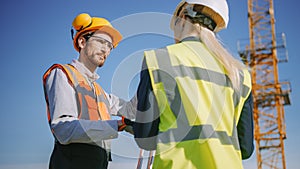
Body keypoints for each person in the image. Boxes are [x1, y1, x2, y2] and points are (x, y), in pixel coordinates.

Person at [133, 0, 254, 169]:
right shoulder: (240, 74)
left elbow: (145, 139)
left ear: (182, 17)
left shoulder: (158, 60)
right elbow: (246, 149)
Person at [42, 13, 135, 169]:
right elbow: (63, 129)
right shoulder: (63, 74)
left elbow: (131, 111)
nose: (106, 49)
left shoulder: (100, 92)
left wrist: (152, 82)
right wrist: (118, 125)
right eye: (101, 42)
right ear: (82, 41)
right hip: (72, 163)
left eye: (110, 46)